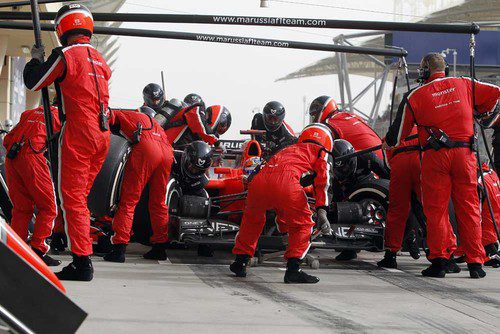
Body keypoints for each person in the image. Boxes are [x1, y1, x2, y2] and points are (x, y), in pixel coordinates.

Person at [384, 52, 500, 279]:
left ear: (425, 71)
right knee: (468, 208)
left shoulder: (414, 95)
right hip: (465, 154)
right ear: (445, 69)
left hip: (435, 157)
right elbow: (496, 91)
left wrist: (387, 143)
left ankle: (439, 260)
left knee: (436, 210)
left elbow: (397, 136)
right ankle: (476, 263)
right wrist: (482, 112)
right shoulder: (465, 83)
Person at [24, 4, 112, 281]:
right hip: (103, 134)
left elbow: (35, 82)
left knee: (71, 201)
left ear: (62, 29)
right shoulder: (100, 59)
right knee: (79, 201)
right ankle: (77, 248)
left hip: (80, 133)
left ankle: (82, 263)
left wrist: (35, 59)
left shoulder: (66, 54)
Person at [230, 123, 334, 284]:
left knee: (252, 221)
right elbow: (324, 181)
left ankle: (240, 262)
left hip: (259, 183)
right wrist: (322, 210)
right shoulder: (321, 152)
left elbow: (264, 168)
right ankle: (293, 269)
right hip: (286, 184)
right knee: (303, 224)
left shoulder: (288, 149)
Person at [104, 107, 174, 263]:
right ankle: (160, 248)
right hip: (167, 151)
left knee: (128, 201)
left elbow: (108, 117)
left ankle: (119, 249)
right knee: (158, 203)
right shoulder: (156, 124)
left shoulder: (132, 115)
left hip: (147, 149)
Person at [3, 105, 61, 266]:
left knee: (21, 209)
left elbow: (7, 140)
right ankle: (37, 250)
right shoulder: (62, 116)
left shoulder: (29, 113)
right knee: (49, 208)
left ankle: (16, 251)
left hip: (12, 158)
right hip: (32, 157)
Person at [377, 128, 422, 269]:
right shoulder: (424, 126)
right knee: (431, 209)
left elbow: (388, 164)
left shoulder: (392, 133)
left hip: (399, 163)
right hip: (421, 161)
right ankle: (443, 256)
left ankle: (390, 255)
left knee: (396, 211)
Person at [309, 96, 385, 166]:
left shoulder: (329, 123)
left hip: (366, 161)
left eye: (314, 115)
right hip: (383, 157)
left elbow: (315, 145)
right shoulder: (350, 115)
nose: (314, 118)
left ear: (323, 109)